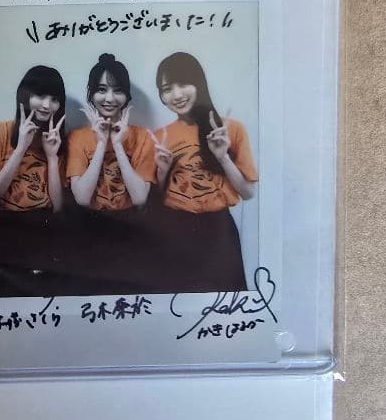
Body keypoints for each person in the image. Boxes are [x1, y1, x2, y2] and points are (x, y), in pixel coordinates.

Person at [148, 51, 258, 292]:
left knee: (225, 304)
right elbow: (155, 199)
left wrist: (223, 157)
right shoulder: (159, 137)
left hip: (218, 231)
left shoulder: (230, 129)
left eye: (183, 83)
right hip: (175, 230)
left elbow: (248, 192)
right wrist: (163, 171)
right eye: (167, 88)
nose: (177, 94)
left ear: (198, 83)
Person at [0, 65, 68, 298]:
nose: (47, 105)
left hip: (43, 233)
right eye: (40, 95)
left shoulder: (56, 140)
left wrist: (52, 157)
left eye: (54, 99)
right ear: (24, 95)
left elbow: (58, 206)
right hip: (1, 232)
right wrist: (21, 147)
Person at [66, 53, 156, 292]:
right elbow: (82, 198)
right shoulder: (77, 138)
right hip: (89, 231)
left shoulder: (142, 137)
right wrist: (100, 144)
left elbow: (139, 197)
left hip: (131, 230)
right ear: (91, 94)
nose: (109, 98)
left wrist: (117, 144)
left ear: (127, 96)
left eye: (117, 90)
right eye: (101, 90)